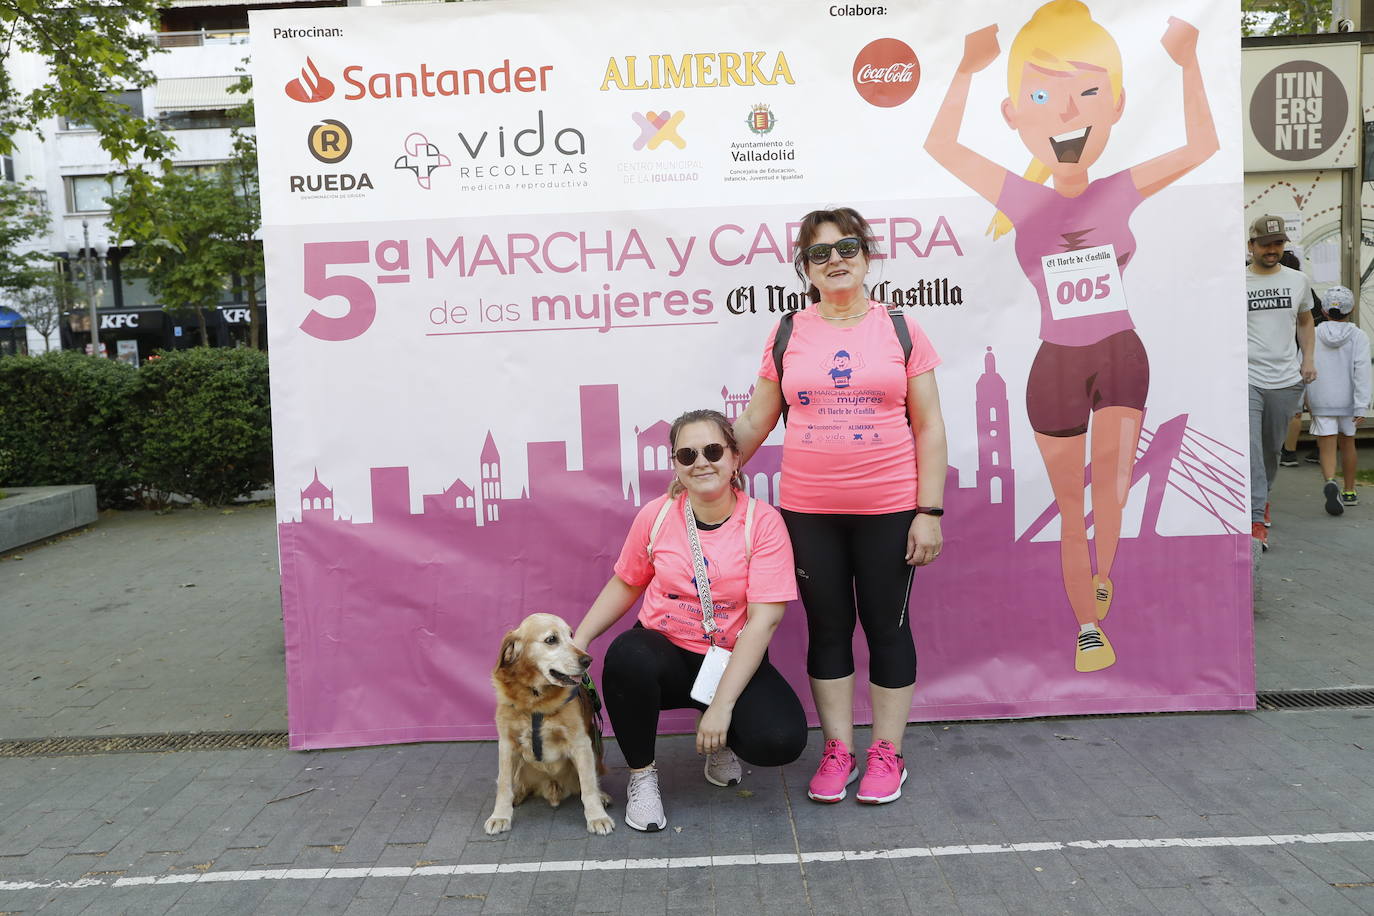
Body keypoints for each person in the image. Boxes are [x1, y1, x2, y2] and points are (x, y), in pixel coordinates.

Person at [923, 0, 1218, 670]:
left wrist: (1190, 60)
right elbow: (941, 148)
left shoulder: (1121, 188)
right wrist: (967, 69)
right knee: (1068, 502)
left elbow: (1202, 147)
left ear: (1115, 105)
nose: (1066, 112)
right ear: (1014, 115)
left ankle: (1101, 575)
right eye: (1041, 95)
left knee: (1110, 488)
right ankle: (1089, 625)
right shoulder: (1021, 198)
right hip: (1055, 364)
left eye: (1087, 92)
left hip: (1119, 356)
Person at [733, 207, 947, 806]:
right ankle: (838, 749)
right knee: (828, 629)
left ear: (867, 254)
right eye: (820, 252)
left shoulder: (901, 330)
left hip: (891, 509)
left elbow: (929, 426)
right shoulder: (787, 333)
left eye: (846, 247)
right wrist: (713, 468)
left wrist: (928, 512)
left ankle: (887, 751)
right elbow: (755, 420)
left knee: (887, 627)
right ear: (805, 267)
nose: (835, 260)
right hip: (808, 513)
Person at [573, 409, 806, 832]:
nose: (701, 461)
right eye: (687, 454)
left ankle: (719, 735)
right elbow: (626, 582)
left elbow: (763, 623)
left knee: (780, 740)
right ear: (676, 465)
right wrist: (581, 639)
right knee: (627, 656)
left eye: (713, 450)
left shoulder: (764, 522)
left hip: (729, 657)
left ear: (735, 458)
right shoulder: (657, 515)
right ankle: (643, 779)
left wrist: (721, 706)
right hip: (666, 654)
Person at [1246, 215, 1317, 550]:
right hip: (1247, 378)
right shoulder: (1235, 281)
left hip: (1286, 380)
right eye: (1266, 244)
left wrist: (1309, 359)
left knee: (1270, 450)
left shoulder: (1298, 280)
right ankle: (1255, 519)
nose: (1272, 250)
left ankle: (1263, 496)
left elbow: (1305, 321)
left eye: (1278, 244)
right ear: (1252, 246)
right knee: (1252, 452)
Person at [1306, 284, 1370, 516]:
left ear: (1323, 311)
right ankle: (1350, 490)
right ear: (1351, 310)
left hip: (1321, 398)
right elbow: (1361, 371)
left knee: (1327, 443)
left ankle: (1330, 480)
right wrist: (1362, 403)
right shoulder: (1358, 336)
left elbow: (1301, 364)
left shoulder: (1312, 332)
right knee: (1348, 443)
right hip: (1349, 401)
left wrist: (1302, 399)